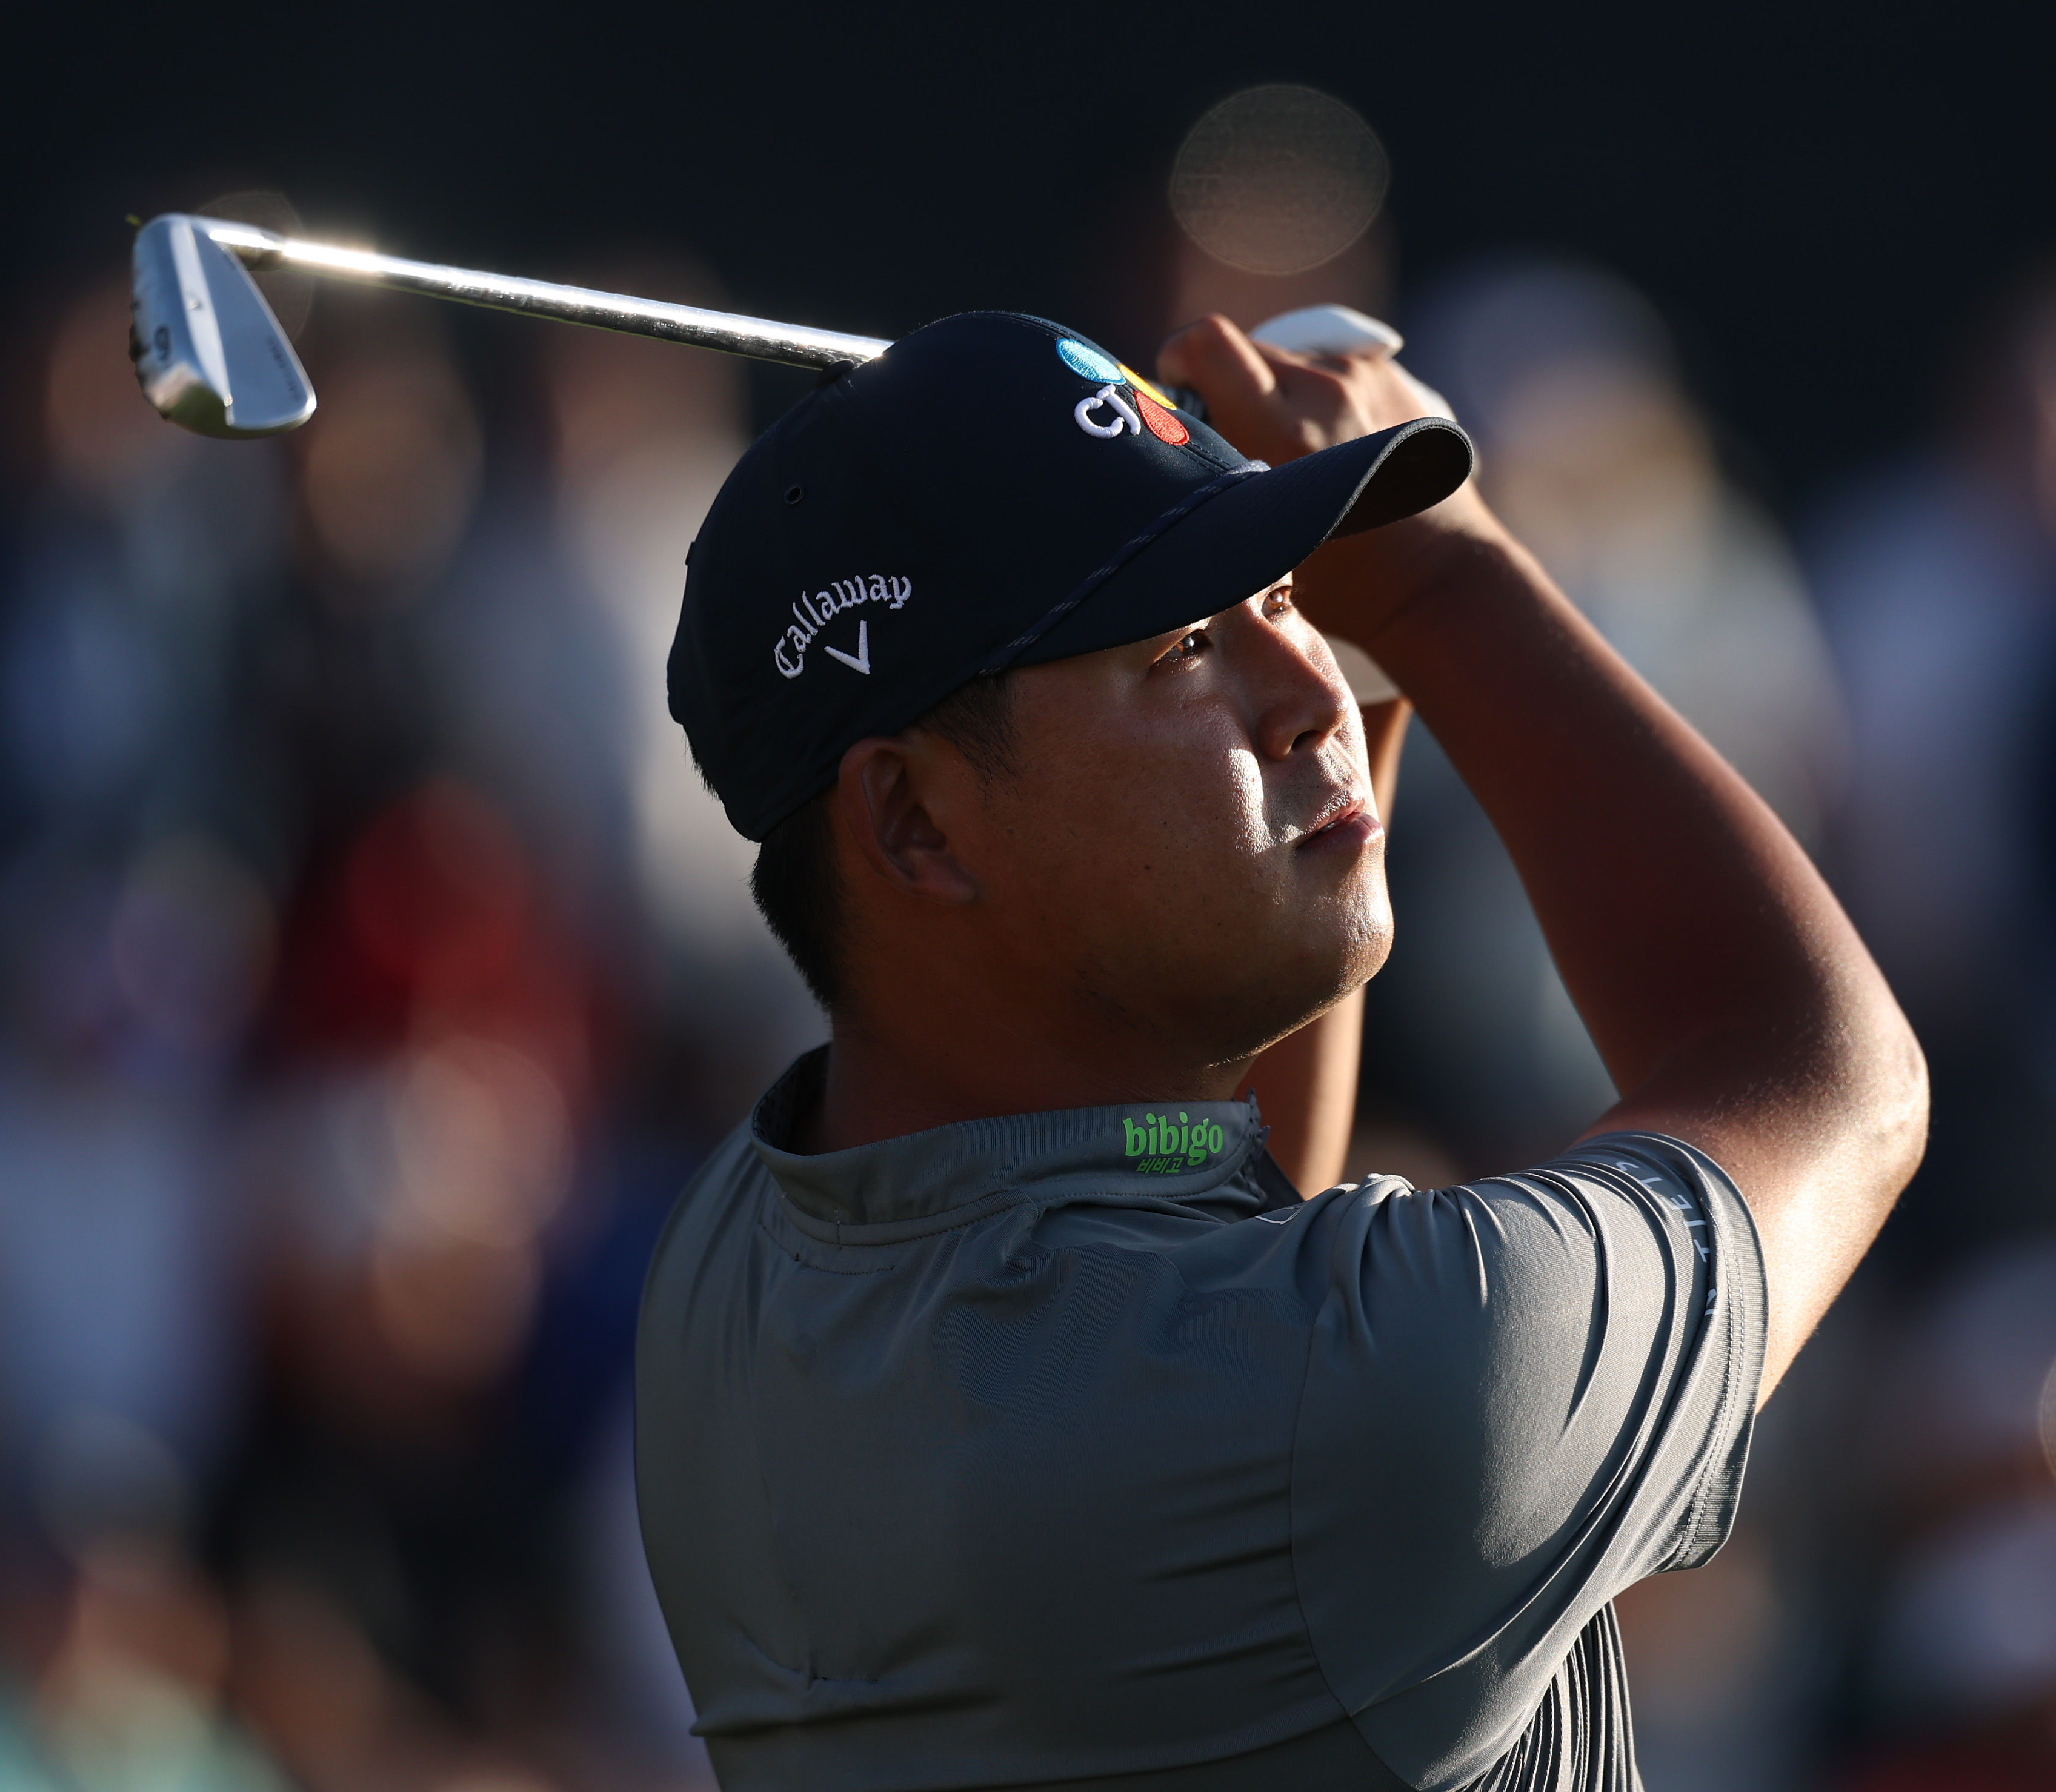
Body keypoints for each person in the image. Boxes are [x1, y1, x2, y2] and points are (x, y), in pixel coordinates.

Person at [636, 310, 1926, 1791]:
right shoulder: (1376, 1387)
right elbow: (1819, 1073)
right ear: (915, 821)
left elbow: (1215, 1197)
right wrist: (1442, 579)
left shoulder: (730, 1262)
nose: (1308, 693)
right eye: (1184, 648)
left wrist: (1351, 646)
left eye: (1285, 600)